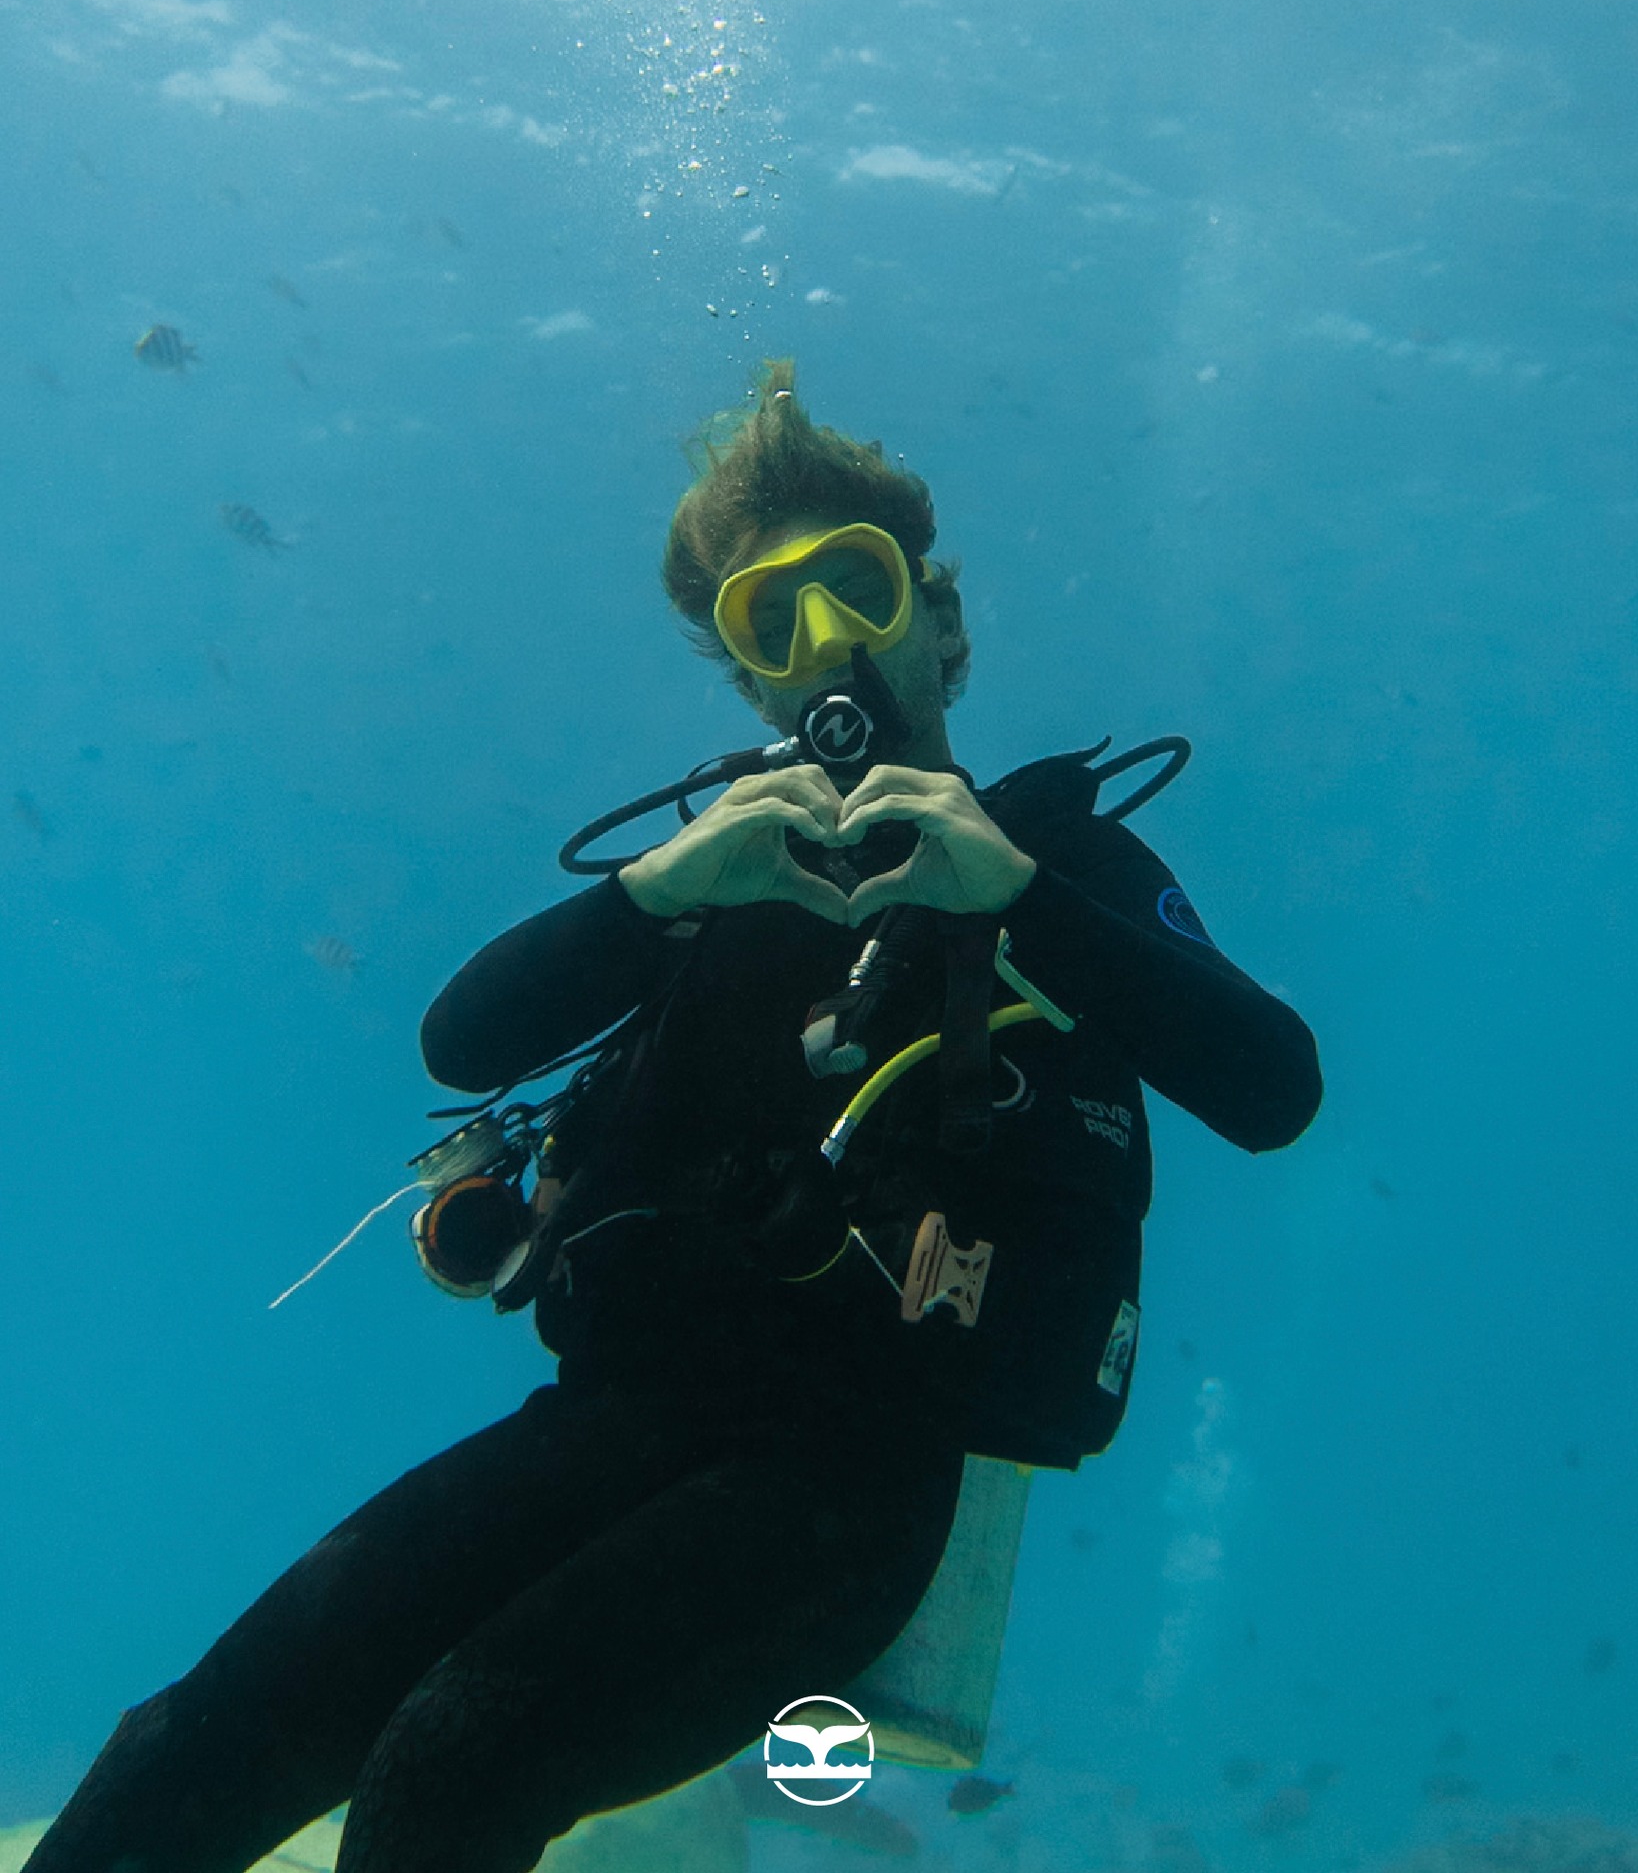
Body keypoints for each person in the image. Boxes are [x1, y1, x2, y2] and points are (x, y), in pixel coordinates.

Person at [25, 361, 1321, 1873]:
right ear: (751, 682)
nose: (829, 644)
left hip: (853, 1476)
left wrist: (1019, 896)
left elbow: (1272, 1089)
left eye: (858, 587)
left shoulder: (1058, 862)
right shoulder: (717, 872)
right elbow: (461, 1041)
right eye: (773, 620)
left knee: (458, 1761)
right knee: (188, 1746)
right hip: (614, 1413)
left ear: (942, 621)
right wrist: (648, 893)